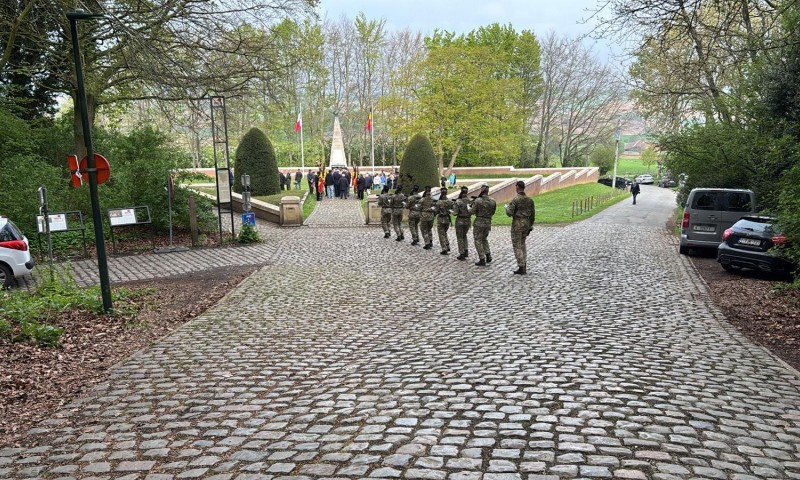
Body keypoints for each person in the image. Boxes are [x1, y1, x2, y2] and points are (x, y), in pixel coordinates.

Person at [505, 180, 536, 275]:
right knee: (523, 244)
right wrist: (530, 225)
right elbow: (533, 214)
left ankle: (521, 266)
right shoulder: (530, 200)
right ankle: (524, 263)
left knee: (517, 245)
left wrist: (506, 208)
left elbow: (509, 213)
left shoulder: (516, 199)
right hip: (526, 223)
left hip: (517, 224)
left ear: (518, 187)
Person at [469, 184, 496, 266]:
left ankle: (482, 258)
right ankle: (488, 255)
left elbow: (472, 211)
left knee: (478, 240)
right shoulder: (493, 201)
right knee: (484, 239)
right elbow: (493, 212)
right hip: (488, 222)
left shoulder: (478, 201)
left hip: (479, 222)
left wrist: (468, 208)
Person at [453, 186, 472, 260]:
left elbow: (455, 213)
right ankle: (466, 250)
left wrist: (452, 212)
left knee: (460, 237)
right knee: (464, 235)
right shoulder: (470, 201)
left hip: (460, 221)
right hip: (468, 221)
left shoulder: (458, 201)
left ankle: (462, 253)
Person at [435, 187, 453, 255]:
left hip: (441, 219)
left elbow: (436, 211)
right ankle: (447, 245)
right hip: (447, 219)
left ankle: (444, 249)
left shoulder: (439, 202)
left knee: (441, 234)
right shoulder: (450, 202)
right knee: (445, 233)